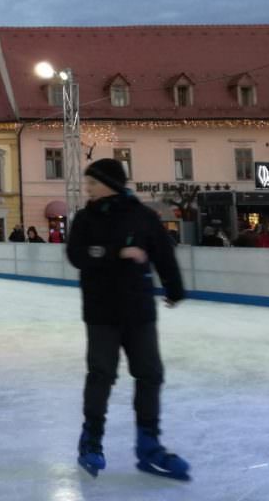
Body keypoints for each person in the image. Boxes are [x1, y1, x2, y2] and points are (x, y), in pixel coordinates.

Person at [67, 158, 189, 481]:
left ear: (110, 184)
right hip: (101, 311)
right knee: (102, 373)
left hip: (138, 310)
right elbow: (77, 255)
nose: (87, 188)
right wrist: (116, 253)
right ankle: (91, 438)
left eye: (92, 183)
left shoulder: (143, 217)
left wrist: (174, 288)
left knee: (149, 373)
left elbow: (163, 253)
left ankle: (148, 443)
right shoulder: (84, 219)